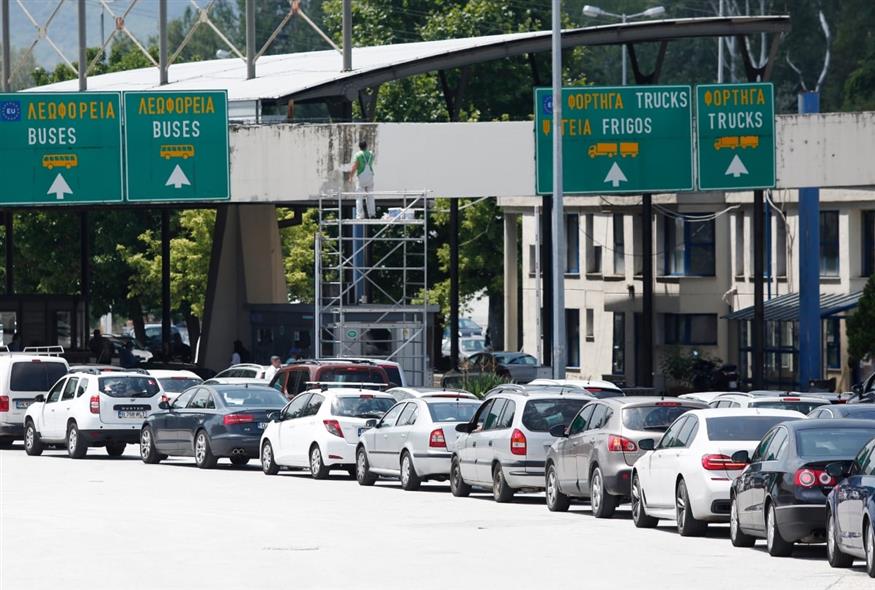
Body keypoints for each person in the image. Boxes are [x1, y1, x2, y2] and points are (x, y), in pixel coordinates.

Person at [348, 140, 376, 219]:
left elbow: (355, 167)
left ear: (359, 147)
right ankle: (372, 214)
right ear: (366, 146)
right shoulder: (371, 154)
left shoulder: (358, 155)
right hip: (370, 176)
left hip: (361, 177)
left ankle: (360, 215)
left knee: (359, 197)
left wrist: (350, 177)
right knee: (370, 196)